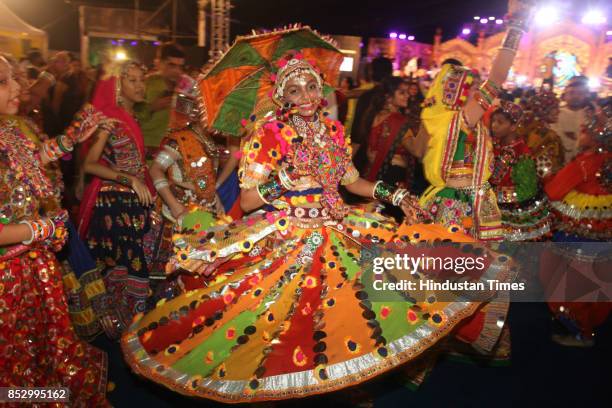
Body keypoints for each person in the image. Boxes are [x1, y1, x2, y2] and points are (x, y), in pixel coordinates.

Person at [121, 41, 514, 403]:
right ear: (281, 96)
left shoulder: (332, 131)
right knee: (288, 327)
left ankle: (344, 388)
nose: (308, 96)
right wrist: (286, 179)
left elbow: (352, 181)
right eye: (296, 90)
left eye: (312, 86)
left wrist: (395, 195)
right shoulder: (268, 135)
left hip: (337, 229)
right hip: (291, 238)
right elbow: (247, 199)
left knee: (355, 316)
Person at [0, 55, 109, 404]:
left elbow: (34, 157)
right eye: (5, 81)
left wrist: (72, 138)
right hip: (6, 280)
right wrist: (40, 229)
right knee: (14, 363)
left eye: (15, 78)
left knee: (43, 355)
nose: (19, 87)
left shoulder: (11, 127)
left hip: (33, 268)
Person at [416, 8, 531, 241]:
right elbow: (497, 78)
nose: (481, 89)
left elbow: (418, 151)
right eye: (476, 85)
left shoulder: (436, 120)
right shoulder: (462, 120)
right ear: (462, 92)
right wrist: (516, 29)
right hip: (460, 202)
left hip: (452, 196)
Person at [78, 61, 156, 339]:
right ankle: (119, 330)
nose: (140, 85)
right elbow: (89, 164)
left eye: (141, 79)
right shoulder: (110, 119)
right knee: (120, 268)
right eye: (132, 80)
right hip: (114, 207)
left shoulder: (129, 117)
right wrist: (129, 179)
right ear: (118, 87)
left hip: (131, 205)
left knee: (135, 265)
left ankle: (129, 327)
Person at [541, 104, 611, 347]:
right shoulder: (606, 161)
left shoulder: (585, 163)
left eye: (584, 130)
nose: (580, 134)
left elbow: (554, 190)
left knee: (566, 276)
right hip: (605, 231)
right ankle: (590, 325)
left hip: (579, 229)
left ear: (595, 134)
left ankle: (581, 331)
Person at [147, 75, 225, 289]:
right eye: (210, 109)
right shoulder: (181, 139)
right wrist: (175, 206)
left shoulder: (211, 142)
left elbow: (204, 179)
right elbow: (155, 169)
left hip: (205, 216)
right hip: (178, 218)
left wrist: (214, 196)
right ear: (198, 112)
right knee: (175, 279)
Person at [489, 101, 551, 241]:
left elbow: (526, 191)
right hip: (492, 208)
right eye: (493, 121)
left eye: (500, 122)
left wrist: (495, 195)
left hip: (513, 216)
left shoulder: (522, 154)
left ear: (513, 127)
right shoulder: (493, 145)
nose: (494, 125)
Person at [136, 44, 186, 159]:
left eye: (180, 66)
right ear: (159, 63)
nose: (177, 71)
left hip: (175, 153)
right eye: (171, 65)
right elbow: (127, 119)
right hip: (146, 153)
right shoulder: (144, 85)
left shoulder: (185, 87)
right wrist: (152, 108)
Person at [521, 90, 564, 179]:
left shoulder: (530, 126)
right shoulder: (545, 134)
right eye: (555, 108)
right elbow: (543, 171)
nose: (558, 111)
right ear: (543, 110)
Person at [553, 76, 590, 164]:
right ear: (565, 94)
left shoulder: (590, 116)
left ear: (585, 95)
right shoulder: (555, 114)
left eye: (580, 93)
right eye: (572, 92)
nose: (575, 96)